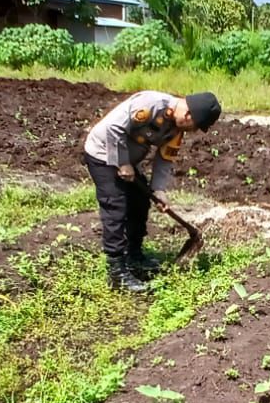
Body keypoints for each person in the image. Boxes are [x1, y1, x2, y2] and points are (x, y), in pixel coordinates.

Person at [83, 90, 222, 292]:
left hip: (128, 161)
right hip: (102, 154)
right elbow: (113, 128)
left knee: (140, 200)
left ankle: (134, 255)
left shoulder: (176, 130)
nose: (193, 131)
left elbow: (165, 160)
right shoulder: (150, 104)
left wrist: (159, 191)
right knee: (116, 206)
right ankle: (117, 273)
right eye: (195, 127)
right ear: (188, 115)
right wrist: (122, 163)